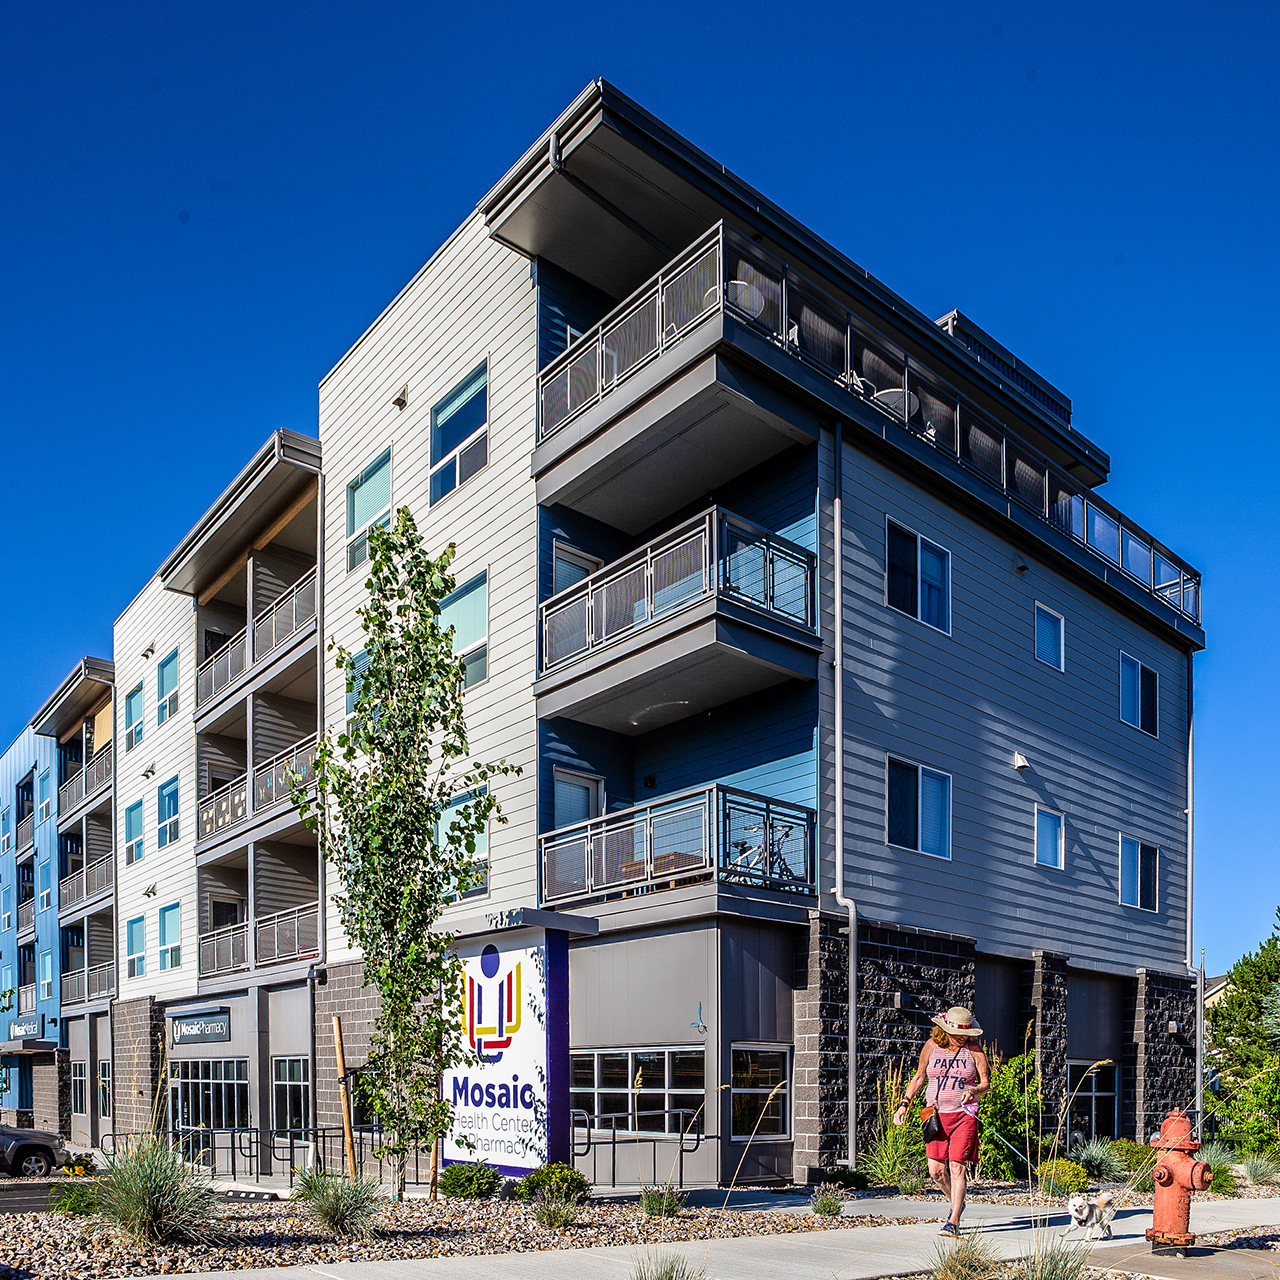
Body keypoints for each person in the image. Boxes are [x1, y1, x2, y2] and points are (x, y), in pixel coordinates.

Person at [892, 1006, 990, 1237]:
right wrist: (904, 1105)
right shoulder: (931, 1047)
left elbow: (986, 1084)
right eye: (958, 1035)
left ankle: (953, 1220)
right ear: (945, 1030)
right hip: (934, 1115)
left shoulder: (974, 1050)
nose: (962, 1038)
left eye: (966, 1034)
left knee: (957, 1167)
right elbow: (918, 1078)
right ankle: (957, 1201)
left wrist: (974, 1090)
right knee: (936, 1171)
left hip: (963, 1115)